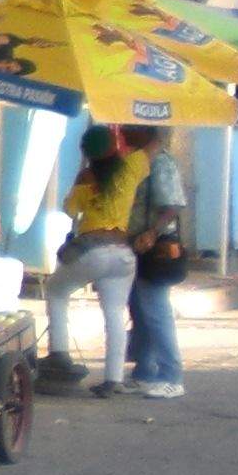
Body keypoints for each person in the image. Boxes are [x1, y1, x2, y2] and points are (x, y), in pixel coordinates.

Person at [45, 125, 144, 396]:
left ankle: (60, 353)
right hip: (123, 253)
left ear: (87, 152)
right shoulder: (131, 169)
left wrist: (80, 184)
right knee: (114, 313)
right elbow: (148, 148)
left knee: (55, 290)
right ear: (116, 145)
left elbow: (69, 209)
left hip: (93, 249)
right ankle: (114, 379)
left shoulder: (86, 177)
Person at [121, 124, 187, 400]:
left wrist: (152, 232)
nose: (122, 131)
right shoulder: (139, 159)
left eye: (128, 127)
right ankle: (145, 372)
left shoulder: (160, 162)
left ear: (144, 130)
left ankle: (172, 376)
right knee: (140, 310)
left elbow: (172, 205)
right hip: (135, 244)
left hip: (154, 246)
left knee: (156, 311)